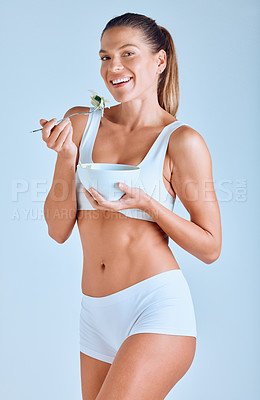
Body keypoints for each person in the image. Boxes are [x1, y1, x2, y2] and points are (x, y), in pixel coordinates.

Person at [41, 12, 222, 400]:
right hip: (95, 314)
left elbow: (211, 247)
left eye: (127, 54)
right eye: (105, 57)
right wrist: (65, 156)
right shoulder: (79, 124)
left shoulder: (181, 140)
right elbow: (57, 231)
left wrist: (149, 204)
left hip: (156, 307)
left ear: (160, 61)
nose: (114, 67)